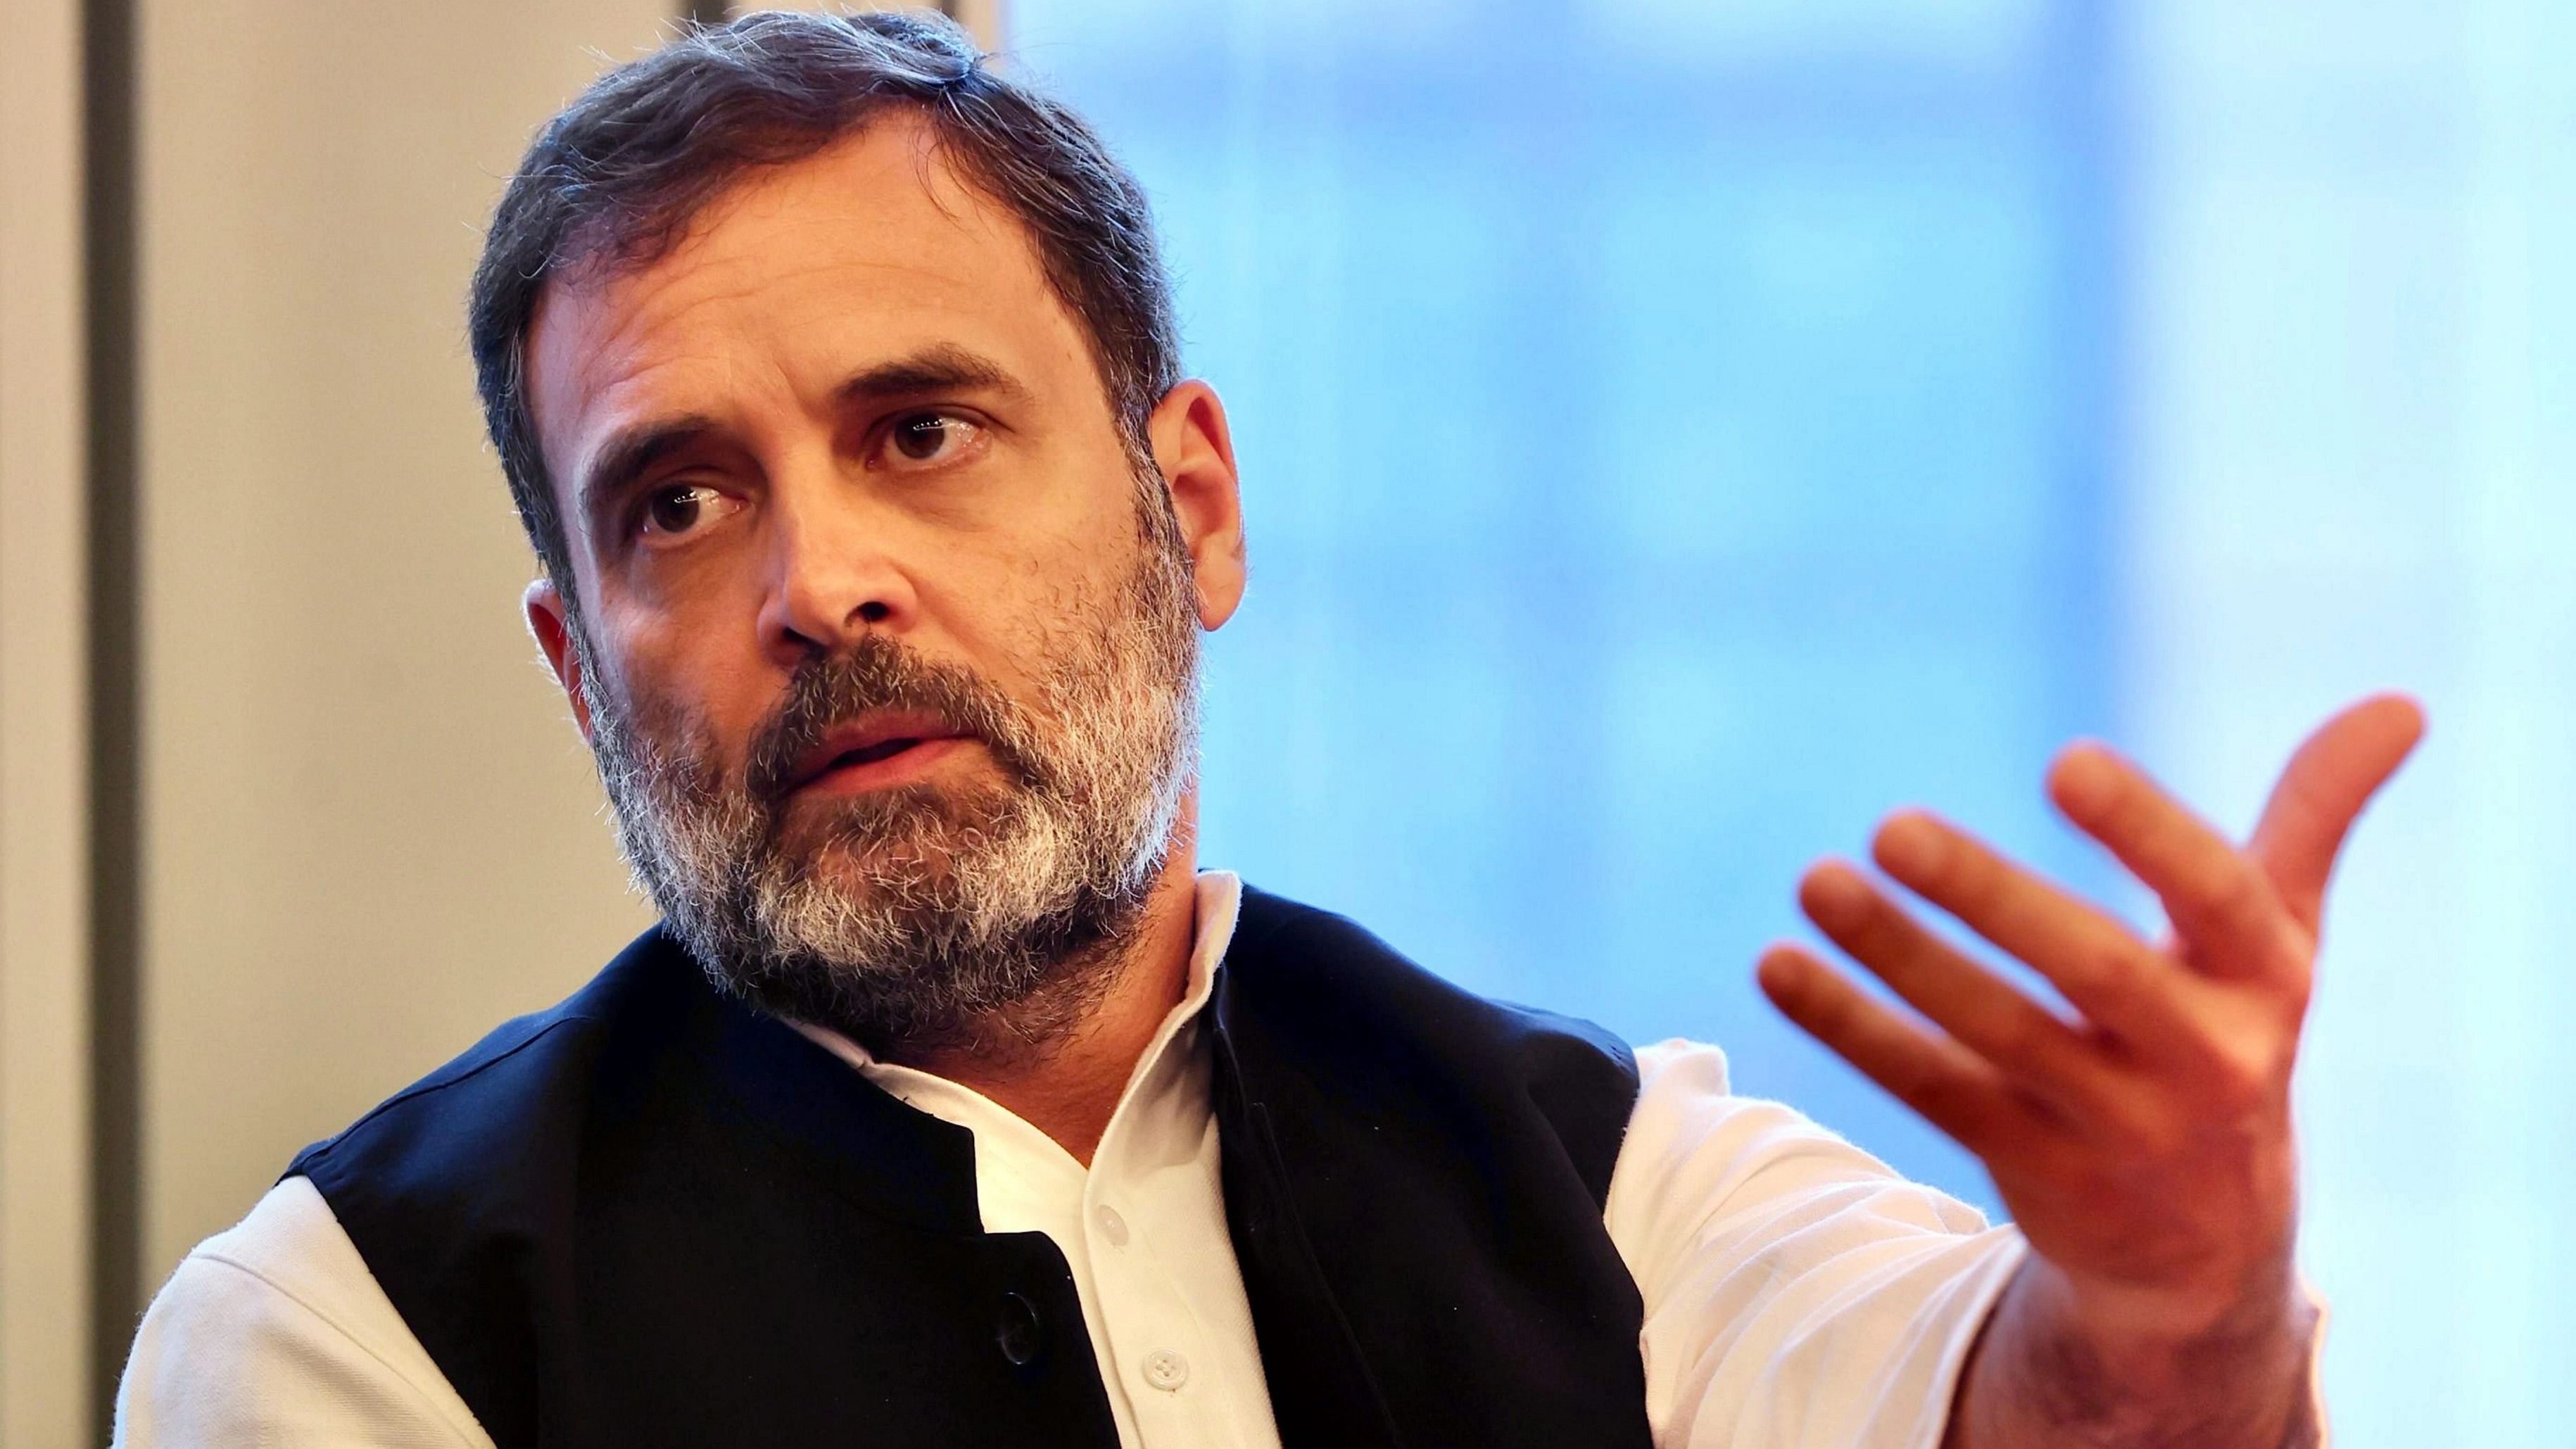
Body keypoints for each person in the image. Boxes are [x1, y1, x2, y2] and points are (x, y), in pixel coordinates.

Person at [112, 11, 2423, 1448]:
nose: (813, 582)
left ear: (1185, 504)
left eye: (917, 429)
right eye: (679, 500)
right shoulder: (357, 1343)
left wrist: (2165, 1285)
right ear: (577, 661)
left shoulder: (1606, 1189)